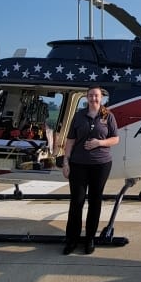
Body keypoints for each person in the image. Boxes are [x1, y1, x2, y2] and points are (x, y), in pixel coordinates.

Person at [61, 86, 119, 255]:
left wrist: (99, 143)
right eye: (91, 95)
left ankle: (90, 239)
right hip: (78, 164)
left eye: (97, 96)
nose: (94, 98)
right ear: (86, 97)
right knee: (76, 202)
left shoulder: (108, 116)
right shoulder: (79, 116)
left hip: (101, 165)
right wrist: (66, 161)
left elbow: (115, 138)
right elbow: (70, 140)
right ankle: (71, 239)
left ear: (101, 98)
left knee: (95, 201)